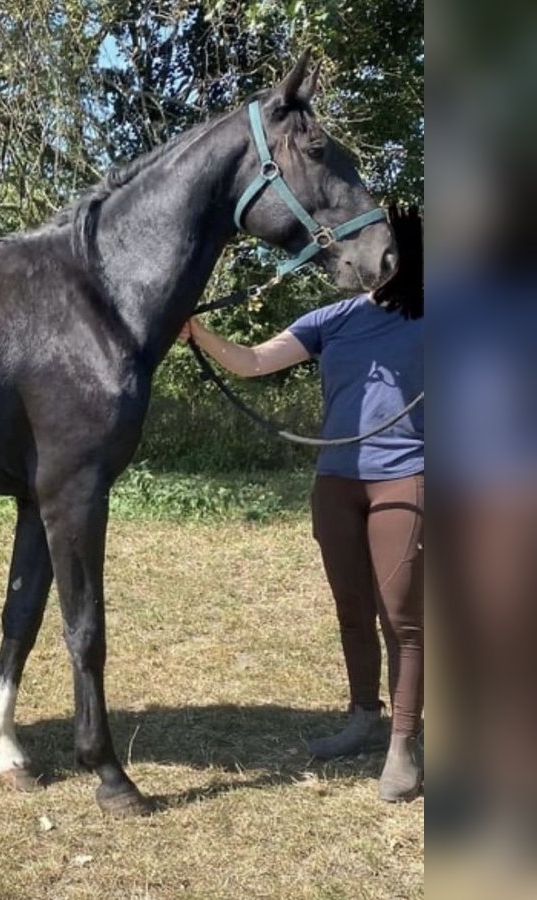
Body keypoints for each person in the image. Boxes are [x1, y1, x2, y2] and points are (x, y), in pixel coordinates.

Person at [180, 206, 423, 802]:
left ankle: (403, 744)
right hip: (336, 482)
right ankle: (364, 716)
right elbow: (256, 360)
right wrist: (198, 332)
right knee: (351, 608)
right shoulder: (333, 319)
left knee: (402, 618)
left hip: (404, 477)